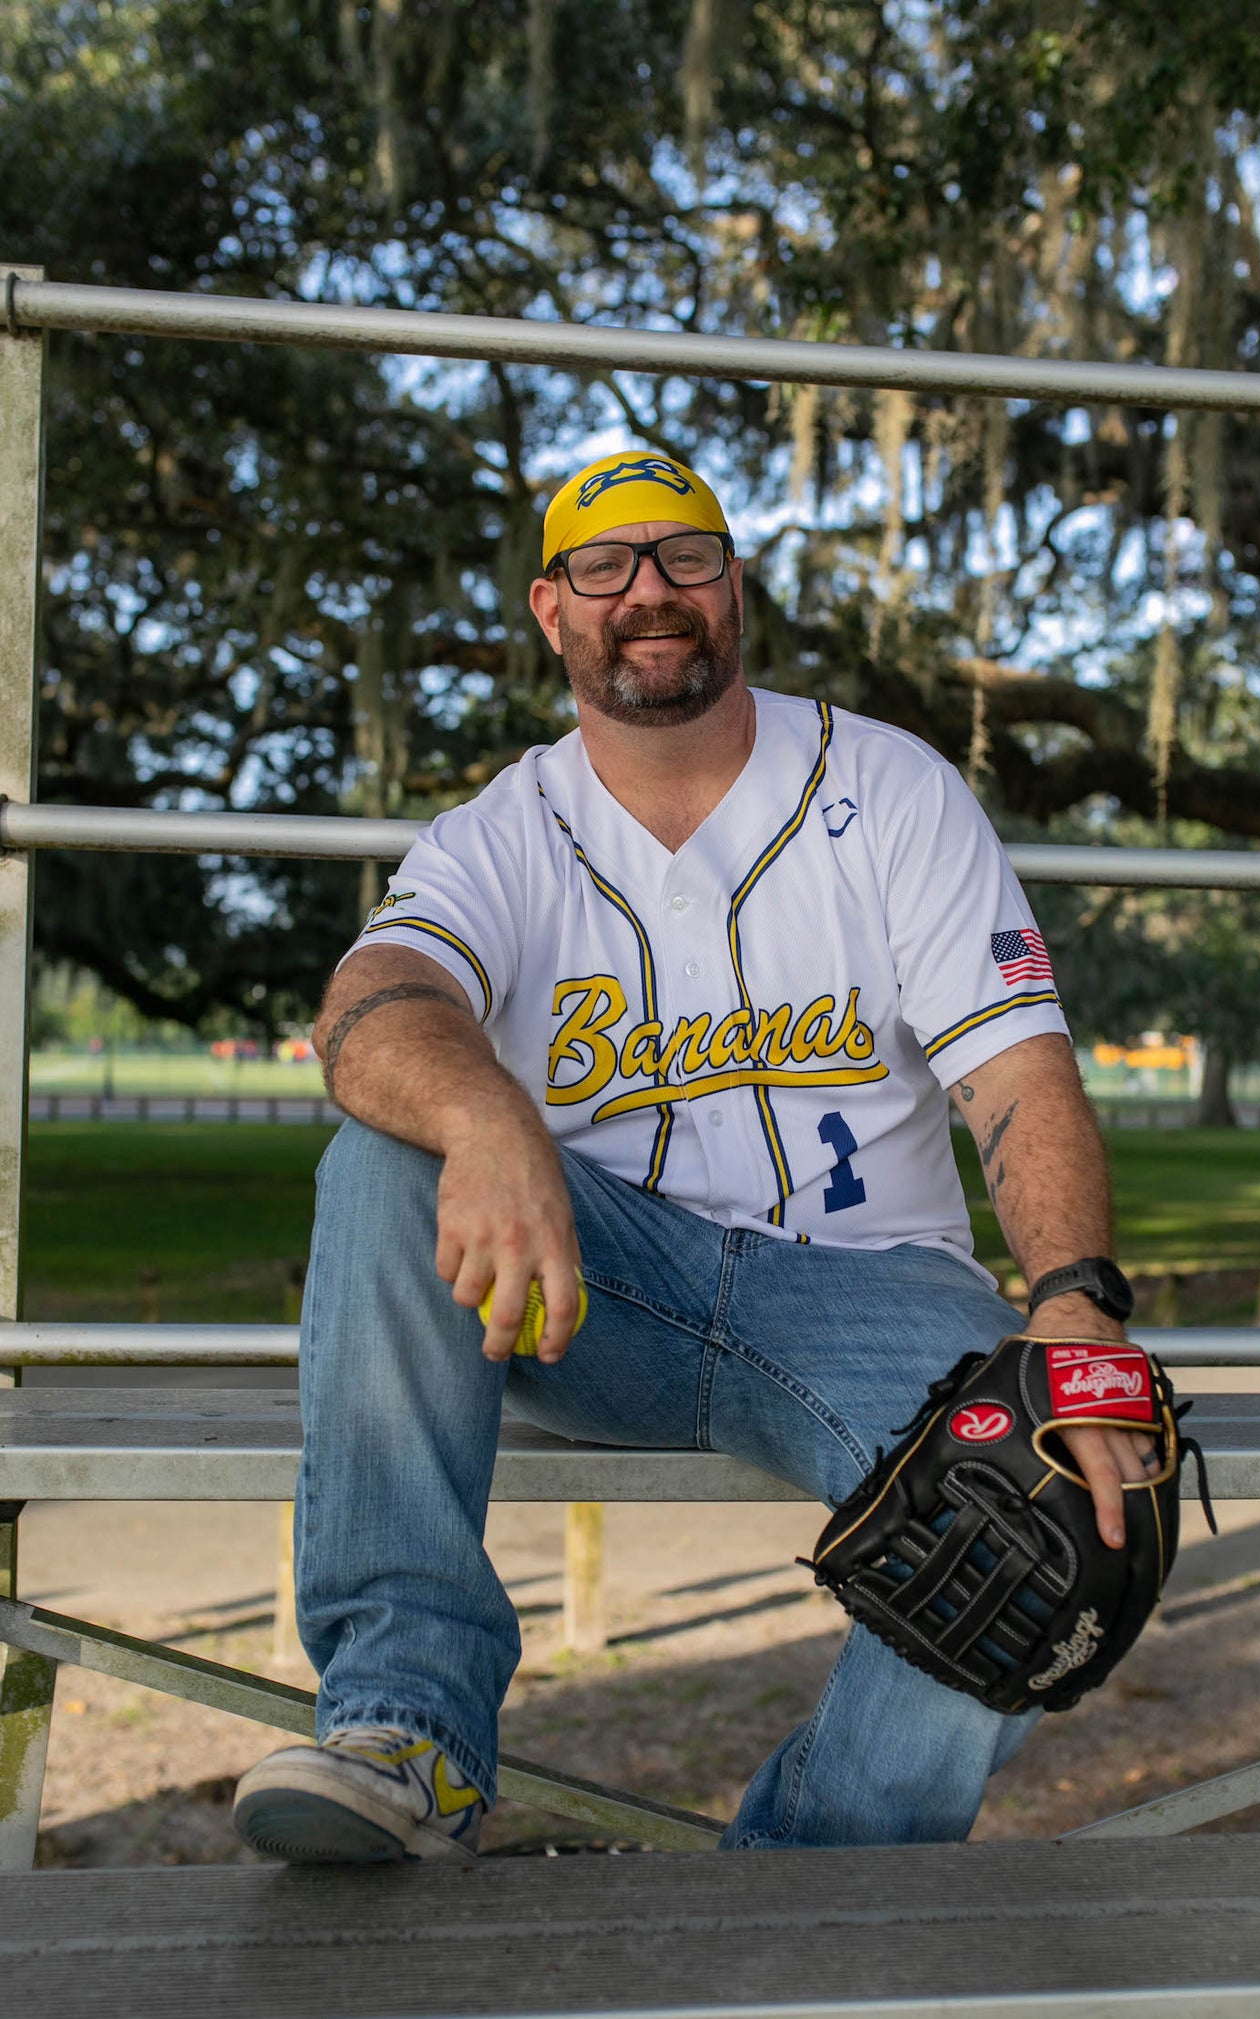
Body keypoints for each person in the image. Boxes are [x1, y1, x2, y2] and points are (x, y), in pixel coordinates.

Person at [232, 449, 1154, 1865]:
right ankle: (405, 1725)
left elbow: (1015, 1072)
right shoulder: (503, 830)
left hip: (872, 1293)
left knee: (1056, 1511)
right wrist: (485, 1120)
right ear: (552, 612)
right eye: (604, 567)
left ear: (735, 587)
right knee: (376, 1162)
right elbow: (369, 1007)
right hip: (596, 1298)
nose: (647, 593)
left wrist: (1076, 1303)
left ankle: (797, 1889)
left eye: (684, 559)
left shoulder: (890, 789)